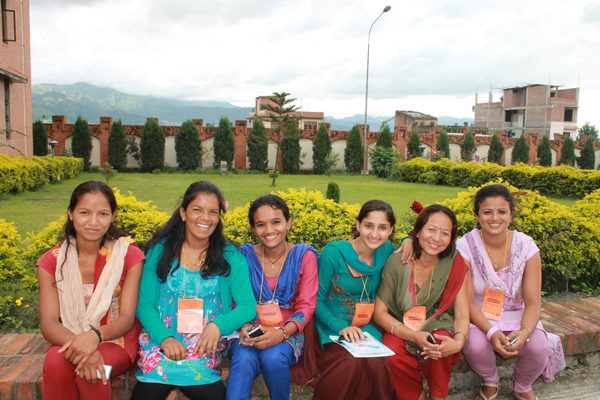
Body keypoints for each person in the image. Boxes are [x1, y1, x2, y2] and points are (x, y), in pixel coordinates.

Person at [132, 181, 256, 400]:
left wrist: (218, 326)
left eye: (213, 212)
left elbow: (247, 307)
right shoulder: (159, 251)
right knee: (147, 392)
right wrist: (165, 339)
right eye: (197, 210)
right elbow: (144, 305)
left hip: (204, 346)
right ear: (183, 213)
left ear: (219, 217)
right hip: (161, 345)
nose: (205, 218)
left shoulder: (230, 256)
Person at [456, 184, 564, 400]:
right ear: (477, 216)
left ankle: (522, 385)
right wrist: (491, 332)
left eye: (502, 212)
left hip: (518, 315)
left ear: (511, 215)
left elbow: (533, 302)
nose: (494, 218)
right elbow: (467, 302)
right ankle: (490, 382)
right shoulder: (465, 246)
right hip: (479, 316)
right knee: (474, 345)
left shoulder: (526, 246)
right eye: (487, 212)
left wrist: (524, 333)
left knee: (538, 348)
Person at [37, 181, 145, 400]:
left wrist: (95, 337)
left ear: (113, 216)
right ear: (70, 213)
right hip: (70, 336)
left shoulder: (128, 256)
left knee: (93, 371)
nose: (93, 222)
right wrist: (84, 345)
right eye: (84, 213)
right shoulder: (51, 262)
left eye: (103, 214)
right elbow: (48, 323)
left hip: (117, 340)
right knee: (55, 364)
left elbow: (126, 318)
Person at [226, 194, 319, 400]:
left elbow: (306, 306)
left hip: (290, 330)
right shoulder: (244, 256)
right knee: (243, 357)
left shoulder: (304, 256)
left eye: (276, 222)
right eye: (261, 224)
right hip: (250, 327)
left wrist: (282, 334)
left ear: (288, 223)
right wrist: (244, 328)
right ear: (253, 229)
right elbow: (235, 299)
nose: (269, 231)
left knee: (274, 357)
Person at [374, 204, 469, 400]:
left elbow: (461, 312)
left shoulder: (455, 263)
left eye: (445, 233)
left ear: (451, 238)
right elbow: (380, 312)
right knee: (390, 351)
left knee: (440, 343)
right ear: (417, 231)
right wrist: (412, 335)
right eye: (431, 229)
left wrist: (459, 341)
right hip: (399, 324)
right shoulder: (397, 262)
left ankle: (437, 395)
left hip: (436, 322)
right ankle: (416, 396)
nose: (436, 238)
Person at [312, 199, 396, 400]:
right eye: (368, 226)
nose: (375, 234)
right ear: (358, 225)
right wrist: (341, 327)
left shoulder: (388, 251)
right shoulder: (334, 253)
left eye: (382, 227)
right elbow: (316, 300)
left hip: (366, 328)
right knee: (350, 364)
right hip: (332, 327)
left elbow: (417, 247)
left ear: (391, 230)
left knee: (377, 365)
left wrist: (409, 239)